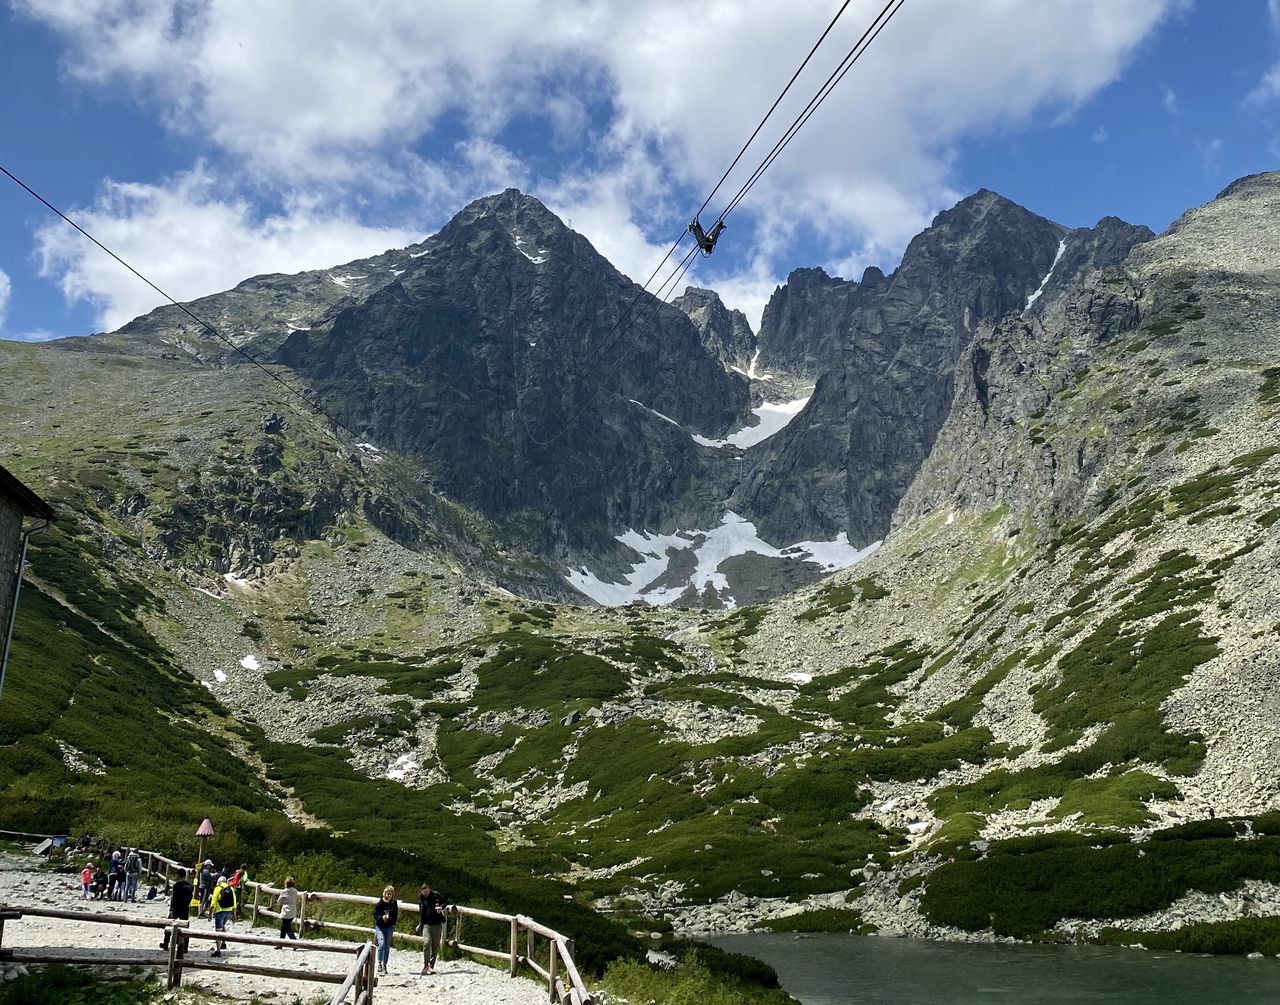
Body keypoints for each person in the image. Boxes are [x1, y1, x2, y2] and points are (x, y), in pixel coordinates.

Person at [416, 882, 449, 975]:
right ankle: (426, 965)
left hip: (437, 924)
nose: (425, 893)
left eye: (426, 891)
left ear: (429, 889)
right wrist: (420, 924)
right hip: (426, 924)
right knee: (427, 943)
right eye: (423, 892)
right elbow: (421, 913)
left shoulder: (436, 895)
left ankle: (431, 965)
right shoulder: (421, 899)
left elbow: (445, 902)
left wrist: (441, 908)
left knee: (435, 945)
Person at [160, 868, 195, 957]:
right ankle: (185, 947)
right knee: (185, 928)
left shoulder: (177, 885)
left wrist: (171, 909)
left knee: (169, 925)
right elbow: (191, 897)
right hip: (185, 908)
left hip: (176, 908)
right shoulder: (190, 886)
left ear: (178, 875)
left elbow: (174, 898)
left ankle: (165, 943)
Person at [372, 885, 398, 976]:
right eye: (387, 894)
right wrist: (382, 918)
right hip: (380, 927)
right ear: (384, 894)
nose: (389, 895)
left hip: (389, 927)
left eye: (390, 894)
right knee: (381, 944)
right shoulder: (380, 904)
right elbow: (375, 915)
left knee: (387, 947)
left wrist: (392, 923)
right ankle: (379, 963)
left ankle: (384, 965)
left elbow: (395, 915)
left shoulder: (394, 903)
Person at [210, 874, 237, 957]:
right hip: (228, 911)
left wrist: (210, 914)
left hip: (220, 911)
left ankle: (218, 951)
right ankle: (224, 943)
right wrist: (234, 915)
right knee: (223, 925)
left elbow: (213, 902)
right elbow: (234, 903)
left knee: (218, 931)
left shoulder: (218, 888)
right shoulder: (231, 889)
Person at [276, 877, 300, 946]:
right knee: (283, 927)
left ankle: (295, 943)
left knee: (287, 928)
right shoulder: (295, 891)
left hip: (286, 910)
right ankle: (280, 944)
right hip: (293, 909)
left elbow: (279, 901)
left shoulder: (284, 891)